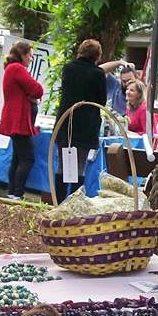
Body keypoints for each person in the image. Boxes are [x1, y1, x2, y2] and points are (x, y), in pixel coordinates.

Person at [53, 39, 120, 199]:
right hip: (86, 125)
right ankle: (75, 203)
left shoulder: (68, 69)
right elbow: (100, 101)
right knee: (79, 167)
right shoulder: (97, 74)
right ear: (97, 55)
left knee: (63, 166)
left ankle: (58, 202)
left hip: (66, 122)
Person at [0, 40, 44, 200]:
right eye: (30, 55)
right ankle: (17, 193)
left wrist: (29, 96)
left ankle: (12, 191)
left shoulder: (10, 68)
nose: (31, 59)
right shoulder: (17, 68)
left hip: (15, 119)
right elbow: (37, 89)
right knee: (27, 158)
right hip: (19, 120)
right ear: (23, 55)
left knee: (17, 157)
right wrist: (31, 96)